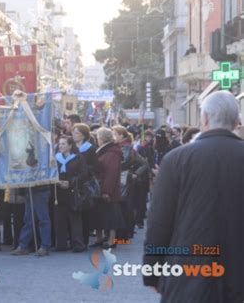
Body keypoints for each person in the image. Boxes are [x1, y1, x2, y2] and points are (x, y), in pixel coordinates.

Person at [143, 91, 244, 302]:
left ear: (204, 119)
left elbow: (159, 221)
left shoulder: (175, 160)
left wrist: (152, 271)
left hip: (189, 273)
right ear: (236, 121)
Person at [89, 128, 124, 250]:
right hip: (101, 187)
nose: (97, 140)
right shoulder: (105, 151)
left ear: (103, 139)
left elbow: (111, 173)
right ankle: (99, 238)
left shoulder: (112, 153)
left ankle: (111, 240)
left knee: (111, 216)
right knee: (99, 214)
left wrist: (106, 191)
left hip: (109, 190)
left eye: (98, 138)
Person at [54, 135, 86, 252]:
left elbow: (83, 174)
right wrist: (56, 181)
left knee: (74, 219)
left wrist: (70, 183)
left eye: (63, 144)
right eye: (60, 144)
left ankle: (78, 244)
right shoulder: (56, 158)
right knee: (59, 219)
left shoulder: (77, 158)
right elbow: (52, 172)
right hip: (58, 192)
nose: (60, 146)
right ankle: (61, 244)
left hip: (72, 191)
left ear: (70, 146)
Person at [72, 123, 97, 247]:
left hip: (84, 183)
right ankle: (74, 239)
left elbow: (95, 165)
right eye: (73, 133)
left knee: (84, 212)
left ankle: (85, 239)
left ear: (83, 135)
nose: (74, 135)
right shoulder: (71, 147)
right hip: (72, 182)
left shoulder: (90, 148)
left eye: (76, 133)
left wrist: (83, 169)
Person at [10, 184, 52, 256]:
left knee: (43, 219)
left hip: (40, 189)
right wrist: (22, 192)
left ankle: (45, 246)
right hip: (30, 190)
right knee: (28, 220)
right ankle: (23, 246)